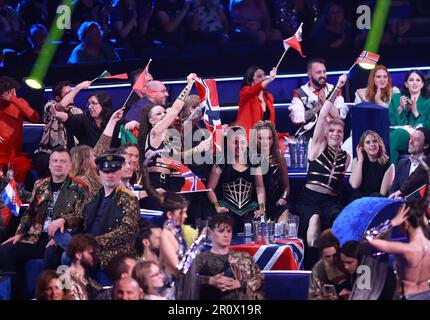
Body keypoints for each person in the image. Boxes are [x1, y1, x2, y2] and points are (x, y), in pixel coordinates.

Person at [0, 147, 89, 299]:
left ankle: (58, 296)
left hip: (60, 239)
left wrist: (64, 226)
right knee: (5, 251)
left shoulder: (80, 187)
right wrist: (19, 234)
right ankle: (18, 295)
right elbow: (30, 213)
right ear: (49, 164)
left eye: (62, 161)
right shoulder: (39, 184)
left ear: (69, 166)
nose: (58, 164)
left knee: (52, 255)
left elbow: (82, 217)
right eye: (55, 161)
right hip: (36, 237)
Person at [295, 74, 349, 252]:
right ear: (326, 133)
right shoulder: (317, 146)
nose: (335, 134)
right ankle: (312, 265)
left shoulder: (346, 156)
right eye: (332, 130)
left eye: (339, 131)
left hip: (331, 202)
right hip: (309, 199)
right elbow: (324, 113)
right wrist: (337, 88)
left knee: (338, 220)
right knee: (314, 220)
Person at [138, 73, 197, 192]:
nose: (164, 115)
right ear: (151, 121)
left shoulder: (171, 136)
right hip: (157, 183)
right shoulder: (155, 132)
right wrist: (189, 85)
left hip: (173, 182)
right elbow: (175, 109)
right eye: (158, 114)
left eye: (164, 112)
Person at [82, 151, 140, 269]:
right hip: (87, 245)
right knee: (57, 247)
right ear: (99, 173)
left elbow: (127, 230)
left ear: (120, 172)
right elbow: (78, 215)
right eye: (106, 172)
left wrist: (94, 242)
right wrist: (62, 220)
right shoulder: (93, 195)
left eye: (114, 171)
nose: (110, 175)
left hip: (111, 251)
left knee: (73, 257)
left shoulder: (129, 198)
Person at [207, 126, 266, 233]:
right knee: (224, 225)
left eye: (242, 142)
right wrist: (217, 207)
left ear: (247, 143)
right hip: (227, 208)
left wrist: (261, 208)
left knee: (255, 225)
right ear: (228, 143)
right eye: (235, 142)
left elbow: (260, 187)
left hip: (249, 209)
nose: (239, 146)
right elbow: (210, 188)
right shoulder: (221, 162)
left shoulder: (254, 161)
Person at [366, 202, 430, 300]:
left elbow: (369, 237)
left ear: (405, 223)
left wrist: (393, 222)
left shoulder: (406, 249)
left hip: (408, 296)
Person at [195, 214, 264, 300]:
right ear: (211, 232)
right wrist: (210, 281)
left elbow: (259, 279)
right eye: (221, 231)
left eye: (229, 231)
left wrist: (239, 284)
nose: (226, 235)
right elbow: (186, 279)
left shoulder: (244, 256)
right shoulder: (202, 258)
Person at [33, 80, 90, 178]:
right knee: (47, 162)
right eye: (68, 93)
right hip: (49, 152)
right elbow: (62, 106)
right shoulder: (50, 106)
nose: (72, 95)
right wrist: (78, 87)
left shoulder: (77, 111)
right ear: (58, 98)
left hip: (71, 153)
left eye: (72, 92)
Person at [288, 58, 348, 139]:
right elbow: (296, 118)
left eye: (324, 72)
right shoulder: (300, 92)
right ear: (309, 74)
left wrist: (325, 102)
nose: (323, 75)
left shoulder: (335, 89)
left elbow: (340, 115)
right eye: (318, 72)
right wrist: (317, 107)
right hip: (309, 138)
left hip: (332, 137)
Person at [0, 76, 40, 183]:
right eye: (8, 92)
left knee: (23, 166)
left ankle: (16, 195)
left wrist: (14, 100)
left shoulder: (19, 102)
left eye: (12, 91)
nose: (12, 94)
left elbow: (35, 118)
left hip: (14, 155)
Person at [388, 70, 430, 165]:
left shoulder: (428, 102)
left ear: (422, 84)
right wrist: (400, 109)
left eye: (418, 80)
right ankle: (392, 173)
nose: (414, 82)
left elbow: (428, 127)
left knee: (395, 136)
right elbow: (391, 123)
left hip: (419, 138)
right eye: (411, 80)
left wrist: (415, 112)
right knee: (395, 138)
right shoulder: (396, 98)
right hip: (401, 136)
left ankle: (388, 174)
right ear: (406, 84)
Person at [253, 120, 290, 221]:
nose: (265, 142)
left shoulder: (279, 159)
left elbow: (286, 187)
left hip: (277, 203)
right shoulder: (250, 160)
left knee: (284, 225)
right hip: (256, 205)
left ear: (273, 140)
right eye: (261, 138)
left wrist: (283, 198)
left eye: (268, 138)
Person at [349, 130, 395, 199]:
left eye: (375, 141)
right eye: (368, 142)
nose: (372, 144)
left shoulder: (389, 166)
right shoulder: (357, 161)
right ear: (362, 147)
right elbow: (355, 185)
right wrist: (360, 160)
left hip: (374, 202)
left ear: (379, 144)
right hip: (357, 201)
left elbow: (381, 195)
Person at [389, 128, 430, 200]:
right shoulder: (402, 163)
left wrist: (405, 200)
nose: (411, 141)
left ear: (426, 145)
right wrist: (394, 198)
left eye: (416, 140)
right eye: (411, 138)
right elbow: (393, 190)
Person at [308, 230, 349, 300]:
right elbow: (312, 297)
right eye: (327, 256)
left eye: (335, 255)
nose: (332, 259)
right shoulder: (318, 269)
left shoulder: (350, 263)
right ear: (322, 255)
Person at [236, 66, 277, 133]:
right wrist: (270, 79)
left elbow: (272, 122)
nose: (263, 78)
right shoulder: (245, 93)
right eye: (259, 76)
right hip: (249, 137)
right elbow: (254, 90)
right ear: (251, 79)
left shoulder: (269, 97)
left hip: (265, 139)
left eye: (264, 75)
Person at [65, 233, 101, 300]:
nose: (94, 257)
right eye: (91, 253)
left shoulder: (86, 279)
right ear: (78, 255)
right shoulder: (69, 283)